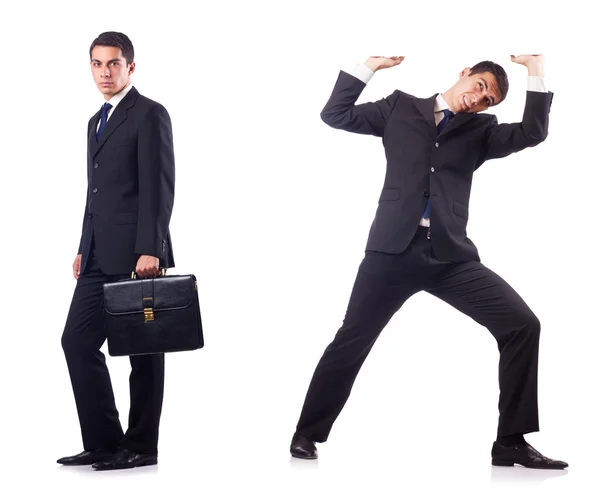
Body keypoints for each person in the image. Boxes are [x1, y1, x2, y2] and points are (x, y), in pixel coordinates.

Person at [289, 54, 567, 469]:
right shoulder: (399, 107)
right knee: (352, 340)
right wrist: (369, 66)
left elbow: (533, 132)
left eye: (488, 99)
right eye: (480, 86)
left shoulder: (481, 131)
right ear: (465, 74)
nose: (479, 99)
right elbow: (335, 114)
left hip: (450, 257)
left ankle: (510, 441)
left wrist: (537, 70)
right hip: (390, 253)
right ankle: (307, 433)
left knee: (522, 325)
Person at [57, 31, 176, 471]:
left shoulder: (149, 114)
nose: (104, 72)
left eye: (113, 63)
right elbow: (94, 193)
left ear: (131, 66)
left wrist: (152, 249)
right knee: (76, 342)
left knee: (143, 355)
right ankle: (105, 442)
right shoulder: (96, 121)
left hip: (137, 257)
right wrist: (82, 247)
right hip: (97, 256)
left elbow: (158, 188)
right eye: (96, 64)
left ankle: (142, 446)